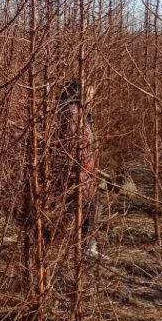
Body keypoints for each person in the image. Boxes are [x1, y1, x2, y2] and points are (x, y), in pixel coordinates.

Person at [55, 79, 100, 260]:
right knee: (90, 206)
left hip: (80, 170)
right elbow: (76, 143)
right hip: (78, 172)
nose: (91, 96)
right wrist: (86, 165)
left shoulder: (75, 112)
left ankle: (81, 247)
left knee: (87, 207)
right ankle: (86, 248)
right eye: (88, 92)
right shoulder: (72, 114)